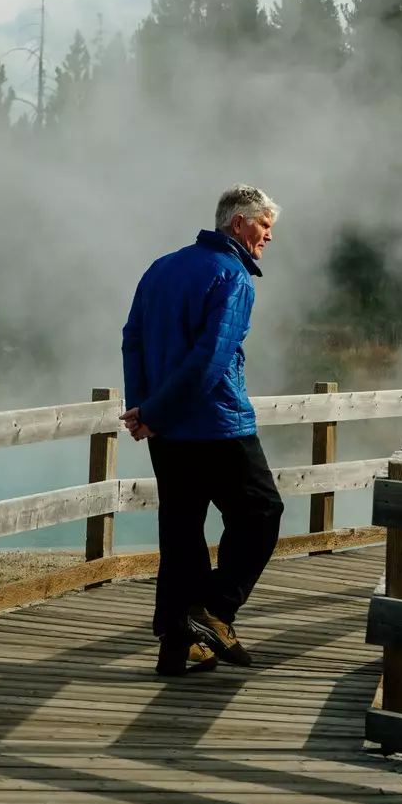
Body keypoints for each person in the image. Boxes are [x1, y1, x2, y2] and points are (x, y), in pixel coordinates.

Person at [121, 184, 285, 677]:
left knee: (182, 535)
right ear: (238, 223)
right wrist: (157, 409)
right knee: (261, 513)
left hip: (167, 434)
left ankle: (180, 650)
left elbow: (133, 340)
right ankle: (213, 610)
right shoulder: (233, 276)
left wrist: (146, 410)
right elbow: (210, 361)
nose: (268, 238)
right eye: (264, 226)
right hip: (218, 425)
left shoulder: (161, 267)